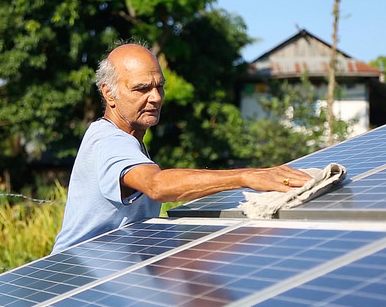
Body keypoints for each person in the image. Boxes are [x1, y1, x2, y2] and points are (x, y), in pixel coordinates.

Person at [51, 43, 311, 253]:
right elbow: (157, 185)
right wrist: (247, 176)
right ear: (109, 94)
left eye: (159, 86)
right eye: (141, 89)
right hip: (77, 278)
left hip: (102, 272)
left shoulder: (128, 139)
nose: (155, 97)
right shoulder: (110, 141)